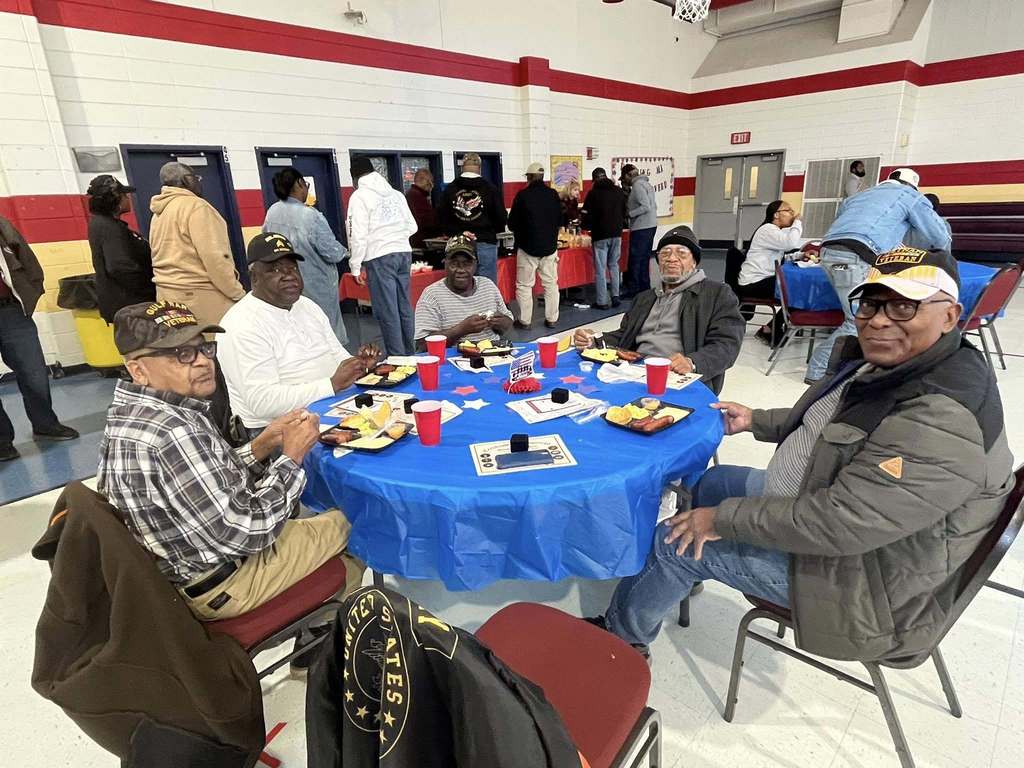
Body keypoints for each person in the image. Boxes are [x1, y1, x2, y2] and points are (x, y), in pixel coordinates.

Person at [589, 247, 1013, 663]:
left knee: (671, 543)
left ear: (950, 315)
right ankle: (675, 581)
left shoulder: (939, 414)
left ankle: (620, 643)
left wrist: (720, 520)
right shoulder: (897, 365)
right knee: (706, 485)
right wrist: (757, 420)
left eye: (904, 307)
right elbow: (828, 425)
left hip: (860, 579)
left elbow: (842, 523)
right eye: (871, 304)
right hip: (819, 504)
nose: (879, 320)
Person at [98, 299, 364, 639]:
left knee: (323, 522)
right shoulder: (173, 432)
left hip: (188, 566)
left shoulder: (134, 414)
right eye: (180, 353)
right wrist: (291, 457)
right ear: (138, 369)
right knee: (359, 523)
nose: (202, 361)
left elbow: (202, 488)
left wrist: (262, 445)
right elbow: (248, 529)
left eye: (204, 348)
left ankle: (319, 634)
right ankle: (332, 646)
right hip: (223, 582)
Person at [217, 233, 377, 434]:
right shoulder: (241, 324)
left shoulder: (307, 306)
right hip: (277, 430)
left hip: (333, 406)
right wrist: (331, 384)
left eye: (292, 268)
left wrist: (359, 366)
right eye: (275, 269)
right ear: (254, 276)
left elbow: (337, 355)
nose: (289, 275)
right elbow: (262, 402)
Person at [805, 167, 952, 383]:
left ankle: (855, 364)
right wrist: (946, 261)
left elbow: (846, 223)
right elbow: (939, 237)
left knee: (859, 314)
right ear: (912, 185)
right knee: (858, 319)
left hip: (828, 252)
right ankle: (817, 370)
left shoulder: (859, 196)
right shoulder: (909, 195)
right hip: (857, 255)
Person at [573, 226, 744, 395]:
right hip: (634, 372)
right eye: (665, 253)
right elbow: (625, 335)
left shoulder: (717, 294)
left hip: (680, 378)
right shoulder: (645, 298)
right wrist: (595, 340)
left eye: (681, 253)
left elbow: (727, 344)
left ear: (694, 261)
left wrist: (692, 362)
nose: (672, 259)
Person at [0, 216, 78, 461]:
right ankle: (2, 441)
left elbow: (25, 256)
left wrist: (32, 291)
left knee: (34, 371)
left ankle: (45, 424)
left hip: (9, 309)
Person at [149, 161, 245, 326]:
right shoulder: (197, 207)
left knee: (185, 349)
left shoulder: (159, 212)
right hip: (201, 299)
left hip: (167, 297)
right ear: (187, 180)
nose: (199, 182)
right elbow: (216, 259)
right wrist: (238, 294)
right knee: (215, 348)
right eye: (196, 178)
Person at [262, 167, 349, 345]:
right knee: (327, 333)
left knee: (297, 331)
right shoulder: (310, 216)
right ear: (300, 184)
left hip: (284, 283)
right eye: (306, 184)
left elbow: (266, 241)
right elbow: (331, 252)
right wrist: (347, 252)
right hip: (316, 286)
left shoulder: (272, 212)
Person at [346, 157, 418, 356]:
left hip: (379, 256)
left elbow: (356, 234)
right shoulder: (396, 194)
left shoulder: (359, 196)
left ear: (355, 177)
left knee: (388, 311)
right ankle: (411, 354)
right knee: (404, 306)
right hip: (404, 252)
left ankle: (398, 359)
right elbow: (413, 226)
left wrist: (355, 266)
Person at [414, 234, 514, 347]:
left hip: (493, 352)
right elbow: (422, 343)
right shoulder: (432, 295)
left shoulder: (487, 285)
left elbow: (508, 324)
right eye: (454, 264)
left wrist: (500, 322)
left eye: (467, 264)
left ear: (476, 265)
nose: (461, 269)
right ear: (445, 264)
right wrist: (461, 329)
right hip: (453, 358)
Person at [86, 174, 155, 323]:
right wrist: (150, 289)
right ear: (115, 200)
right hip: (132, 307)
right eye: (124, 195)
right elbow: (119, 266)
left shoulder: (104, 224)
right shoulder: (109, 228)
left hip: (128, 304)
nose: (127, 198)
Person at [737, 200, 802, 343]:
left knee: (797, 290)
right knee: (797, 291)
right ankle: (771, 328)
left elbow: (780, 255)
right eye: (789, 211)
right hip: (753, 283)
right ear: (776, 214)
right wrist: (797, 223)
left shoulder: (773, 232)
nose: (792, 214)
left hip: (762, 280)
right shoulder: (767, 229)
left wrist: (801, 256)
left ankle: (772, 327)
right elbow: (790, 243)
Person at [508, 162, 563, 330]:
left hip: (528, 248)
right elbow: (561, 220)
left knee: (525, 285)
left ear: (530, 177)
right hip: (549, 248)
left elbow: (512, 223)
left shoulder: (523, 195)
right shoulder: (553, 194)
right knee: (551, 284)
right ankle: (552, 319)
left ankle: (525, 321)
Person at [438, 153, 507, 284]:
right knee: (487, 289)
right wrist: (490, 230)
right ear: (480, 168)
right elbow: (502, 218)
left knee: (461, 287)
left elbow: (441, 219)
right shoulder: (491, 189)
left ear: (462, 167)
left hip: (459, 245)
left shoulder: (450, 190)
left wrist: (458, 232)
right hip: (486, 242)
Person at [581, 167, 626, 310]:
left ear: (594, 180)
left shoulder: (593, 194)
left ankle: (602, 301)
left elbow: (586, 215)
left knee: (600, 269)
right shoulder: (618, 191)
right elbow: (625, 211)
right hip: (617, 234)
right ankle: (616, 296)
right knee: (614, 265)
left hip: (600, 236)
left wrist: (586, 226)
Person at [624, 164, 658, 296]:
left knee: (635, 259)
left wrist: (630, 214)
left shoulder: (637, 186)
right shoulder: (647, 184)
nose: (624, 181)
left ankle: (634, 290)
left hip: (641, 227)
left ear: (628, 175)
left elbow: (646, 206)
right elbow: (654, 205)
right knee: (644, 258)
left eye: (624, 178)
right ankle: (645, 287)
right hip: (651, 225)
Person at [406, 168, 441, 249]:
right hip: (421, 241)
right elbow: (425, 220)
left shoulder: (412, 194)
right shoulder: (416, 196)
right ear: (426, 181)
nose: (432, 185)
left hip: (416, 240)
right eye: (431, 181)